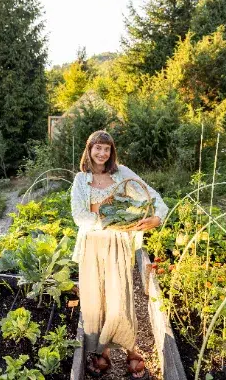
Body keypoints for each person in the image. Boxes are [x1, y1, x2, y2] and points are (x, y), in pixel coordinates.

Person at [70, 130, 167, 379]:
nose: (102, 153)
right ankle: (103, 352)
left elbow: (152, 196)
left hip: (117, 244)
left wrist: (156, 216)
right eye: (98, 148)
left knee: (119, 297)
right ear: (89, 149)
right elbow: (80, 216)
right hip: (92, 245)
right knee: (95, 300)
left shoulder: (121, 173)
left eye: (107, 149)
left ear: (112, 152)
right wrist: (107, 217)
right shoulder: (82, 179)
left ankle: (131, 348)